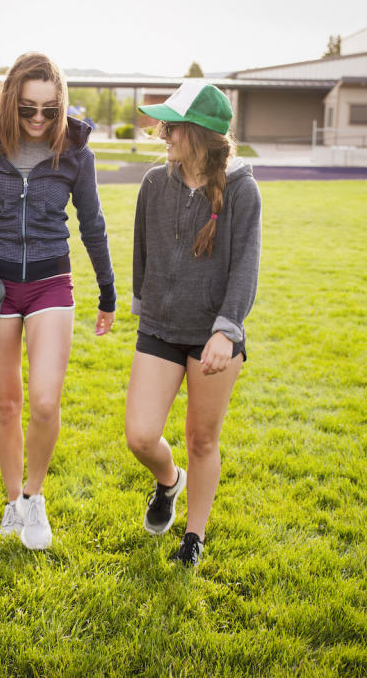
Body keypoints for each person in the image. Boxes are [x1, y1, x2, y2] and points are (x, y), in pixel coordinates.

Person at [0, 52, 117, 550]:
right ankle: (12, 504)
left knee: (43, 401)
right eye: (27, 109)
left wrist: (107, 292)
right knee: (6, 404)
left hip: (50, 282)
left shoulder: (77, 149)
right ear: (9, 103)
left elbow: (93, 224)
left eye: (49, 109)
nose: (39, 120)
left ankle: (34, 495)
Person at [125, 80, 261, 567]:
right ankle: (168, 481)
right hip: (160, 328)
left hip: (214, 338)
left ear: (199, 134)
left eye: (172, 126)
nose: (163, 134)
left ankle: (194, 538)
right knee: (140, 436)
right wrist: (146, 306)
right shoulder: (154, 184)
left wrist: (227, 329)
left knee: (202, 439)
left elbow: (246, 265)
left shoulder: (242, 190)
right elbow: (142, 250)